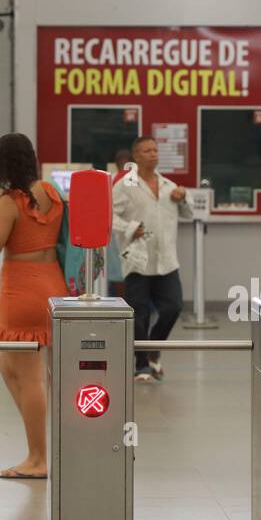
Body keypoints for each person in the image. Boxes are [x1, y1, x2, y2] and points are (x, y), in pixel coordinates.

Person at [0, 133, 66, 480]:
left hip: (22, 291)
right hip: (53, 284)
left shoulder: (10, 202)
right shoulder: (52, 192)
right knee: (9, 367)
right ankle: (39, 447)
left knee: (29, 377)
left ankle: (38, 458)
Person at [112, 135, 191, 383]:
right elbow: (108, 215)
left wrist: (184, 198)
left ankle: (153, 348)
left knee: (173, 307)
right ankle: (142, 365)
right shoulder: (125, 185)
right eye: (147, 150)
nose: (153, 154)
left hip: (166, 260)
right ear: (136, 157)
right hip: (137, 260)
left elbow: (188, 214)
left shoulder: (169, 186)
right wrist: (128, 228)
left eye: (155, 150)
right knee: (139, 313)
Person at [106, 147, 132, 299]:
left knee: (118, 271)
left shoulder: (113, 179)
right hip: (133, 231)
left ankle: (122, 302)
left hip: (116, 231)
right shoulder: (134, 179)